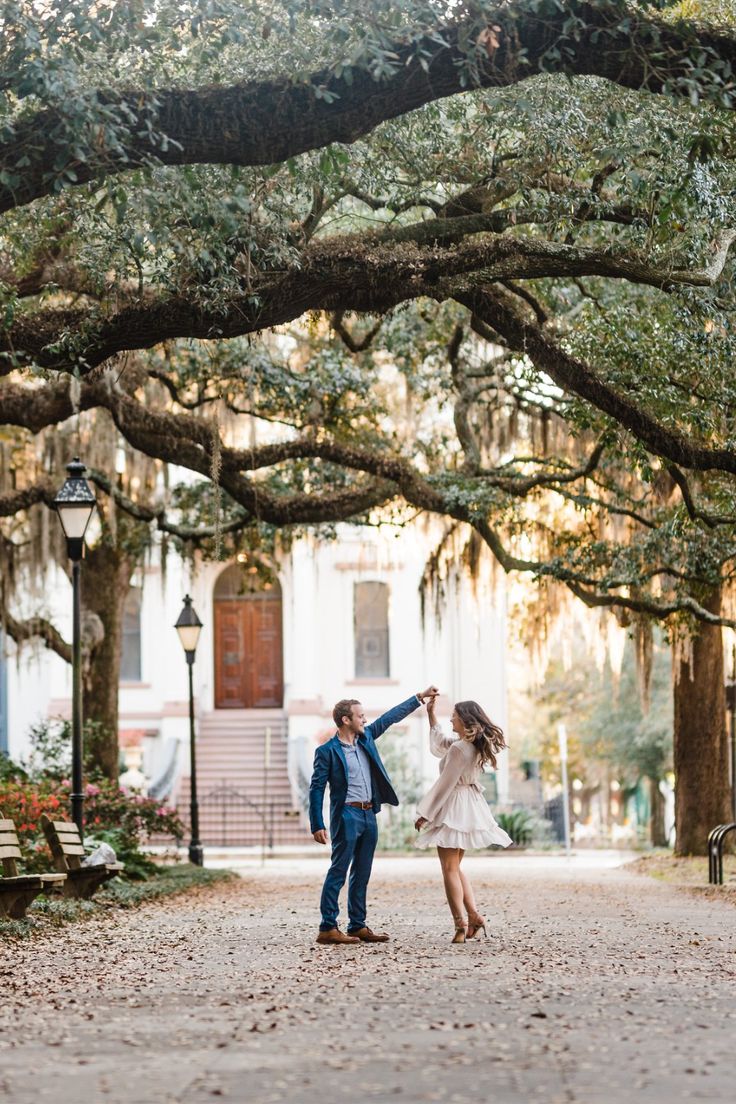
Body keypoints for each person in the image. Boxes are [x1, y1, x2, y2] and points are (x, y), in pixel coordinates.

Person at [309, 687, 439, 945]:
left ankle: (357, 925)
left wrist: (418, 698)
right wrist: (317, 823)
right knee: (339, 870)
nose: (365, 720)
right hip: (346, 815)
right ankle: (327, 927)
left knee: (362, 871)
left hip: (370, 814)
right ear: (346, 720)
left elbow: (390, 717)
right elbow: (316, 788)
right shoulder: (327, 751)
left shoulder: (366, 738)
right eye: (360, 716)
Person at [414, 697, 512, 943]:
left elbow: (445, 784)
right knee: (455, 867)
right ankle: (474, 916)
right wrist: (431, 715)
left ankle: (460, 924)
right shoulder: (470, 745)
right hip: (469, 804)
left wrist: (425, 812)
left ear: (465, 719)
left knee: (448, 868)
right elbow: (440, 745)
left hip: (454, 804)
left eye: (454, 716)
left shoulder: (460, 748)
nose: (451, 719)